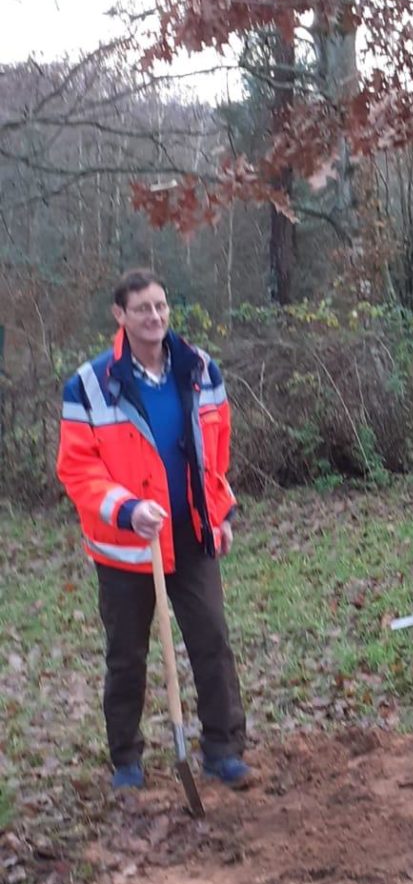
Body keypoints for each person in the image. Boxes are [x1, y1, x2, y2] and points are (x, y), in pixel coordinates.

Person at [57, 268, 250, 789]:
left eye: (161, 306)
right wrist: (126, 510)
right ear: (120, 316)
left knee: (212, 640)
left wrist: (220, 514)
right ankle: (126, 760)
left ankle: (222, 750)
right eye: (142, 308)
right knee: (127, 656)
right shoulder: (90, 385)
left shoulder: (200, 370)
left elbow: (215, 455)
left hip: (190, 534)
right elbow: (78, 469)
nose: (155, 317)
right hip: (125, 545)